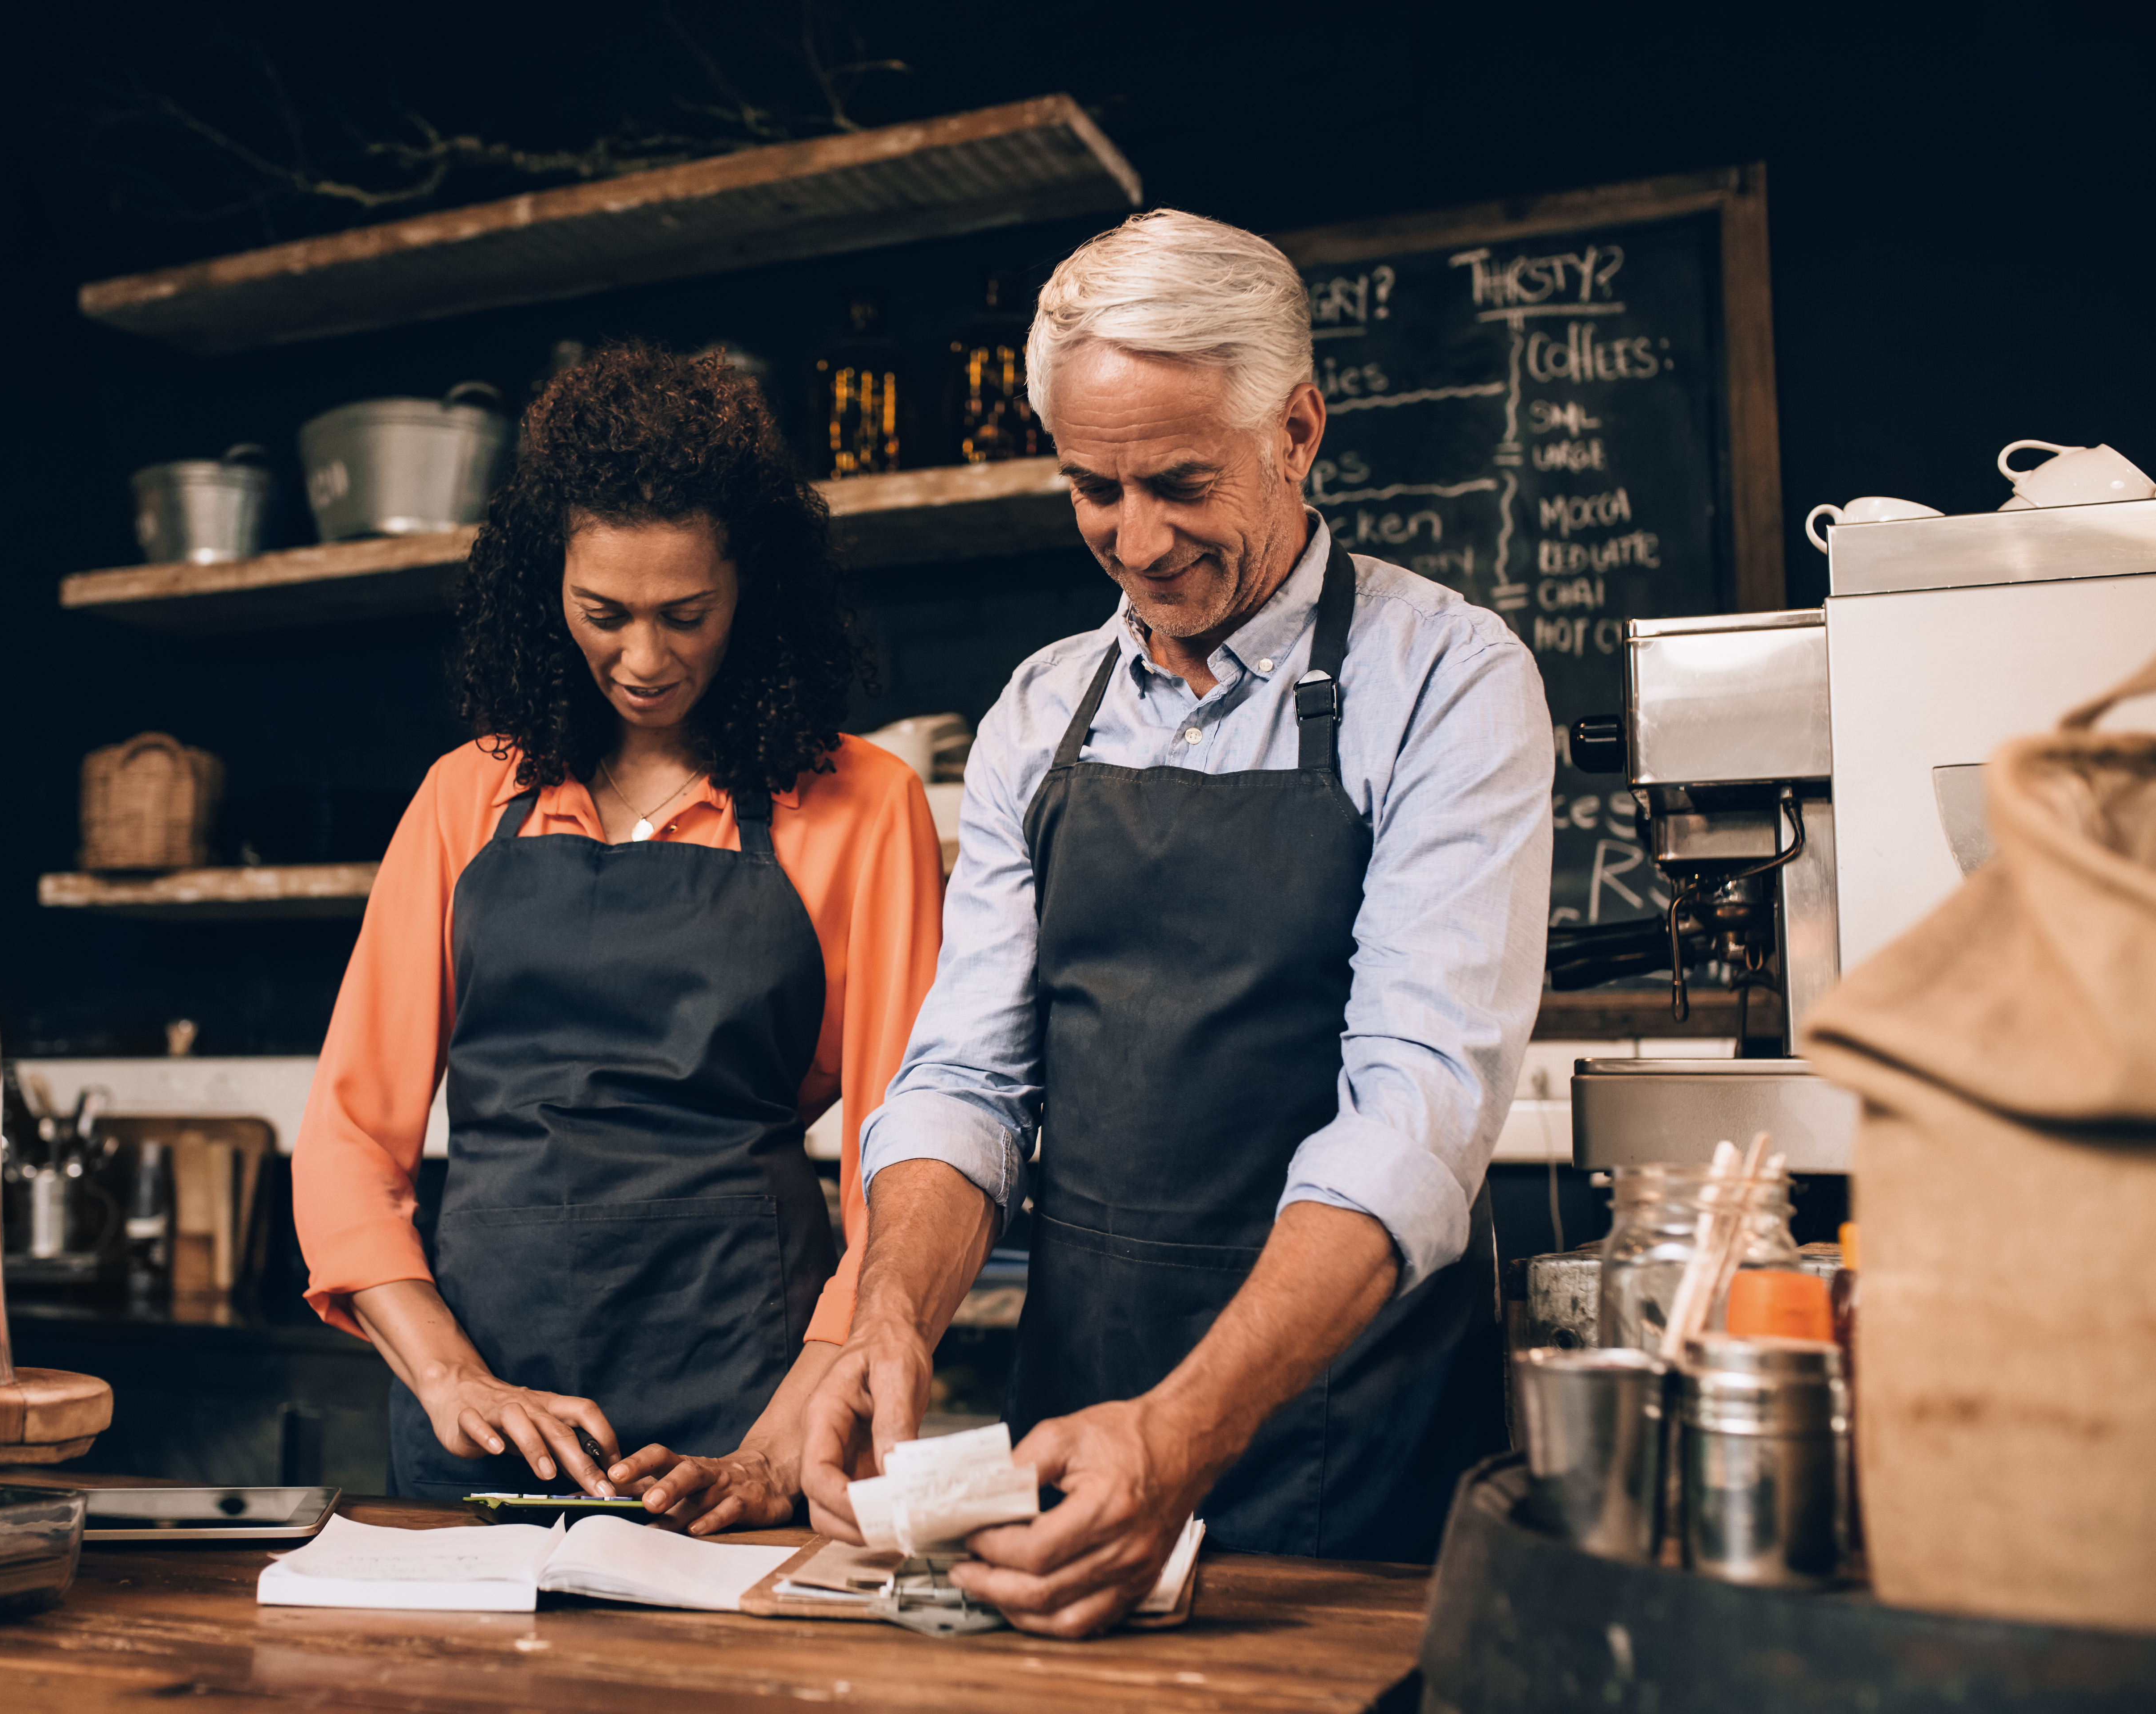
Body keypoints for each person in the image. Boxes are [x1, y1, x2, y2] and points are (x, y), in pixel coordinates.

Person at [801, 210, 1554, 1633]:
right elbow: (966, 1079)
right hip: (1074, 1410)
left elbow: (1413, 1113)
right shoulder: (1038, 710)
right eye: (1092, 487)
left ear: (1297, 429)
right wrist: (884, 1315)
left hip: (1347, 1423)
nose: (1135, 542)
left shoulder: (1447, 680)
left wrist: (1190, 1427)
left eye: (1181, 482)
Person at [295, 343, 944, 1529]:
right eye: (604, 614)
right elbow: (347, 1138)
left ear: (755, 594)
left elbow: (900, 1177)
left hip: (750, 1397)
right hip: (486, 1403)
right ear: (546, 591)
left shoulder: (865, 805)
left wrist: (778, 1442)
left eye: (684, 615)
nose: (643, 660)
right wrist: (448, 1374)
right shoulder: (465, 797)